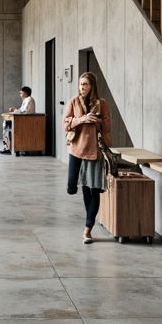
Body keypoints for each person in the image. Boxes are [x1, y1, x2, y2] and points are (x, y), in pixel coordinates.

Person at [63, 71, 112, 243]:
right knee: (72, 188)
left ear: (92, 86)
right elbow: (66, 124)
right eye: (80, 84)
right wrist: (82, 119)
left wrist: (97, 121)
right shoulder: (74, 101)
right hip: (76, 149)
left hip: (95, 151)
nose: (82, 87)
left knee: (94, 189)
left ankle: (87, 229)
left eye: (85, 84)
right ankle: (88, 225)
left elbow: (107, 127)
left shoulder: (101, 103)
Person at [0, 85, 35, 154]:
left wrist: (15, 111)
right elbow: (22, 110)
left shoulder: (29, 100)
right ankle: (7, 146)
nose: (20, 93)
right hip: (23, 119)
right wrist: (15, 110)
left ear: (26, 92)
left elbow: (23, 111)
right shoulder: (27, 99)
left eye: (22, 92)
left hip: (25, 120)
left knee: (6, 126)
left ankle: (8, 147)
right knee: (6, 125)